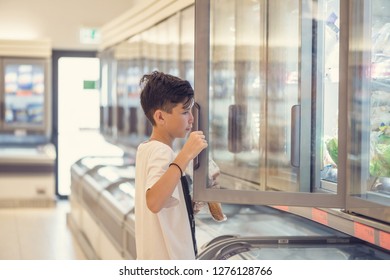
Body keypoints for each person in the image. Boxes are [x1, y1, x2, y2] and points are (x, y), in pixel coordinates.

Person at [134, 71, 208, 260]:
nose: (191, 118)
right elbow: (154, 201)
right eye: (184, 112)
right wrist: (186, 154)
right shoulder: (162, 152)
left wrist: (187, 204)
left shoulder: (146, 149)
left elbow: (163, 197)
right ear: (160, 117)